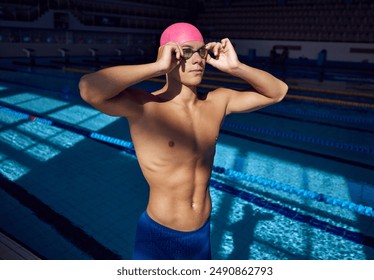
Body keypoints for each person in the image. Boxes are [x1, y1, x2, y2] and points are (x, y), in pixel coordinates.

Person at [79, 22, 288, 260]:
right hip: (159, 238)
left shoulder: (217, 102)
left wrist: (237, 67)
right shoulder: (145, 107)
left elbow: (278, 91)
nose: (198, 59)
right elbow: (88, 89)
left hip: (200, 235)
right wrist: (156, 67)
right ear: (170, 54)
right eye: (187, 51)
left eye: (201, 51)